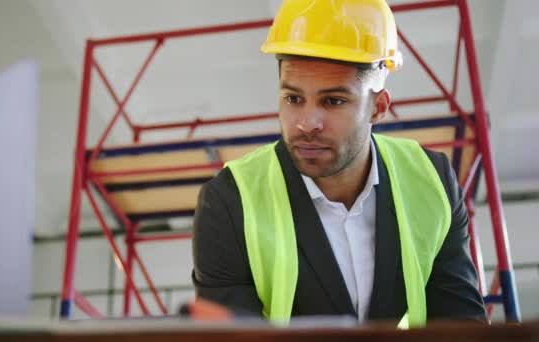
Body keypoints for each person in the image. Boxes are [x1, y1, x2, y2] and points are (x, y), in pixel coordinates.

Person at [192, 0, 486, 327]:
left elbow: (461, 325)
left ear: (378, 107)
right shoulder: (229, 202)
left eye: (333, 101)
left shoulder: (432, 182)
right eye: (293, 99)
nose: (307, 122)